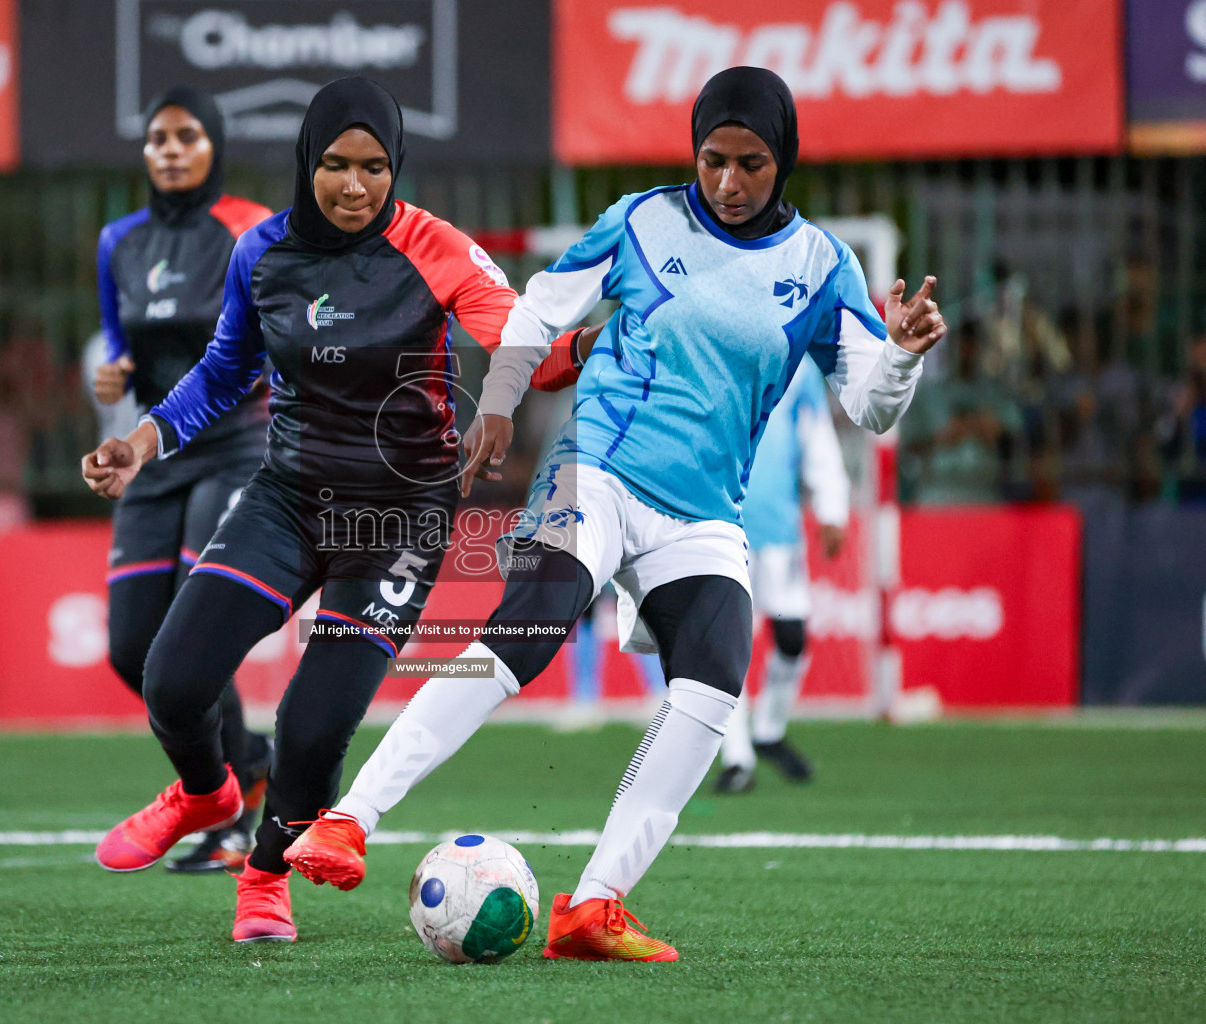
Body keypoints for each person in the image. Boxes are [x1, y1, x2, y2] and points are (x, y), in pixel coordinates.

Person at [284, 67, 946, 962]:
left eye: (751, 162)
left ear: (782, 160)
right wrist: (501, 404)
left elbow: (869, 405)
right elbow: (537, 312)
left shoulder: (824, 267)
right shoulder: (641, 219)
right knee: (528, 627)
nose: (728, 181)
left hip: (705, 512)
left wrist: (899, 352)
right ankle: (349, 820)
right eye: (713, 158)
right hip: (594, 470)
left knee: (714, 679)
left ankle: (595, 905)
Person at [80, 77, 535, 942]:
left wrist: (529, 381)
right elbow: (223, 372)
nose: (353, 185)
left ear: (395, 166)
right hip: (287, 497)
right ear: (307, 163)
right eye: (334, 164)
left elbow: (518, 336)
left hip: (398, 519)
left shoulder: (437, 247)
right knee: (171, 678)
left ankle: (262, 876)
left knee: (313, 722)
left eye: (373, 167)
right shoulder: (263, 252)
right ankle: (206, 790)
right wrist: (140, 443)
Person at [92, 87, 276, 874]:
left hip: (237, 446)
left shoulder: (250, 227)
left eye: (186, 136)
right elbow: (115, 333)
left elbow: (272, 333)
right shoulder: (117, 241)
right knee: (132, 648)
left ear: (215, 144)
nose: (169, 150)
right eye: (157, 138)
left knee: (192, 636)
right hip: (154, 458)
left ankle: (225, 810)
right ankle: (247, 766)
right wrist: (113, 372)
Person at [714, 354, 850, 794]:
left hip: (778, 527)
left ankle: (768, 731)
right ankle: (737, 758)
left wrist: (831, 506)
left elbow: (817, 436)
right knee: (723, 646)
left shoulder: (798, 364)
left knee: (791, 636)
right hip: (717, 524)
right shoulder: (710, 353)